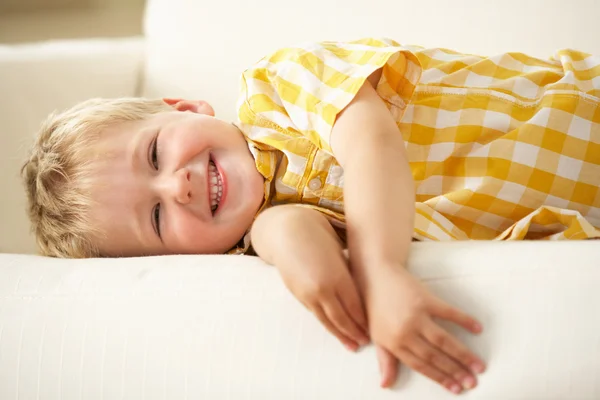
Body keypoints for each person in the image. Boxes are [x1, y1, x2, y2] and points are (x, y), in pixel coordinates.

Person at [21, 37, 600, 395]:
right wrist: (292, 249)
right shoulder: (255, 233)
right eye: (155, 218)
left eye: (154, 153)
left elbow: (372, 143)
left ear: (188, 108)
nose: (179, 185)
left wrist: (380, 272)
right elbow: (288, 230)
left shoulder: (280, 85)